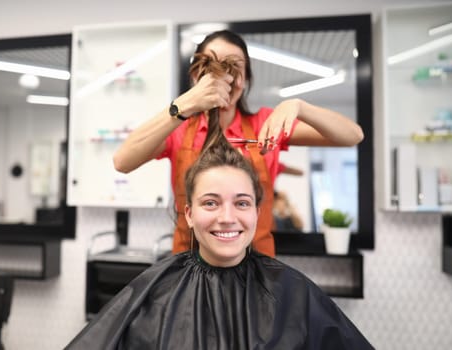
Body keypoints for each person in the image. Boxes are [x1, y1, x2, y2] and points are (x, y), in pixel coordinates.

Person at [65, 117, 374, 350]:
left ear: (256, 212)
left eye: (242, 203)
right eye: (210, 203)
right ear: (188, 213)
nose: (227, 218)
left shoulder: (294, 294)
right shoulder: (153, 293)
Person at [113, 29, 364, 257]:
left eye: (234, 68)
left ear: (245, 80)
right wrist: (185, 105)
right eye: (211, 68)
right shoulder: (179, 128)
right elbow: (122, 161)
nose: (225, 77)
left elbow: (352, 135)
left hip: (257, 272)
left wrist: (299, 107)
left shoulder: (265, 125)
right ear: (195, 77)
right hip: (188, 271)